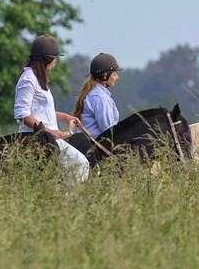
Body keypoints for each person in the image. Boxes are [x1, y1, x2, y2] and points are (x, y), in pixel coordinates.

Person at [13, 34, 90, 184]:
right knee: (80, 164)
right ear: (45, 59)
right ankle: (69, 202)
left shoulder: (38, 78)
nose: (55, 61)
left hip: (47, 137)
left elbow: (42, 113)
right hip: (37, 138)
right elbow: (22, 114)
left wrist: (67, 118)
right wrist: (48, 131)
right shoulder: (28, 79)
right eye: (54, 57)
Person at [73, 53, 123, 139]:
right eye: (114, 74)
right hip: (94, 148)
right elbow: (108, 131)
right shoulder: (101, 98)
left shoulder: (93, 93)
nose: (117, 77)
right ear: (105, 76)